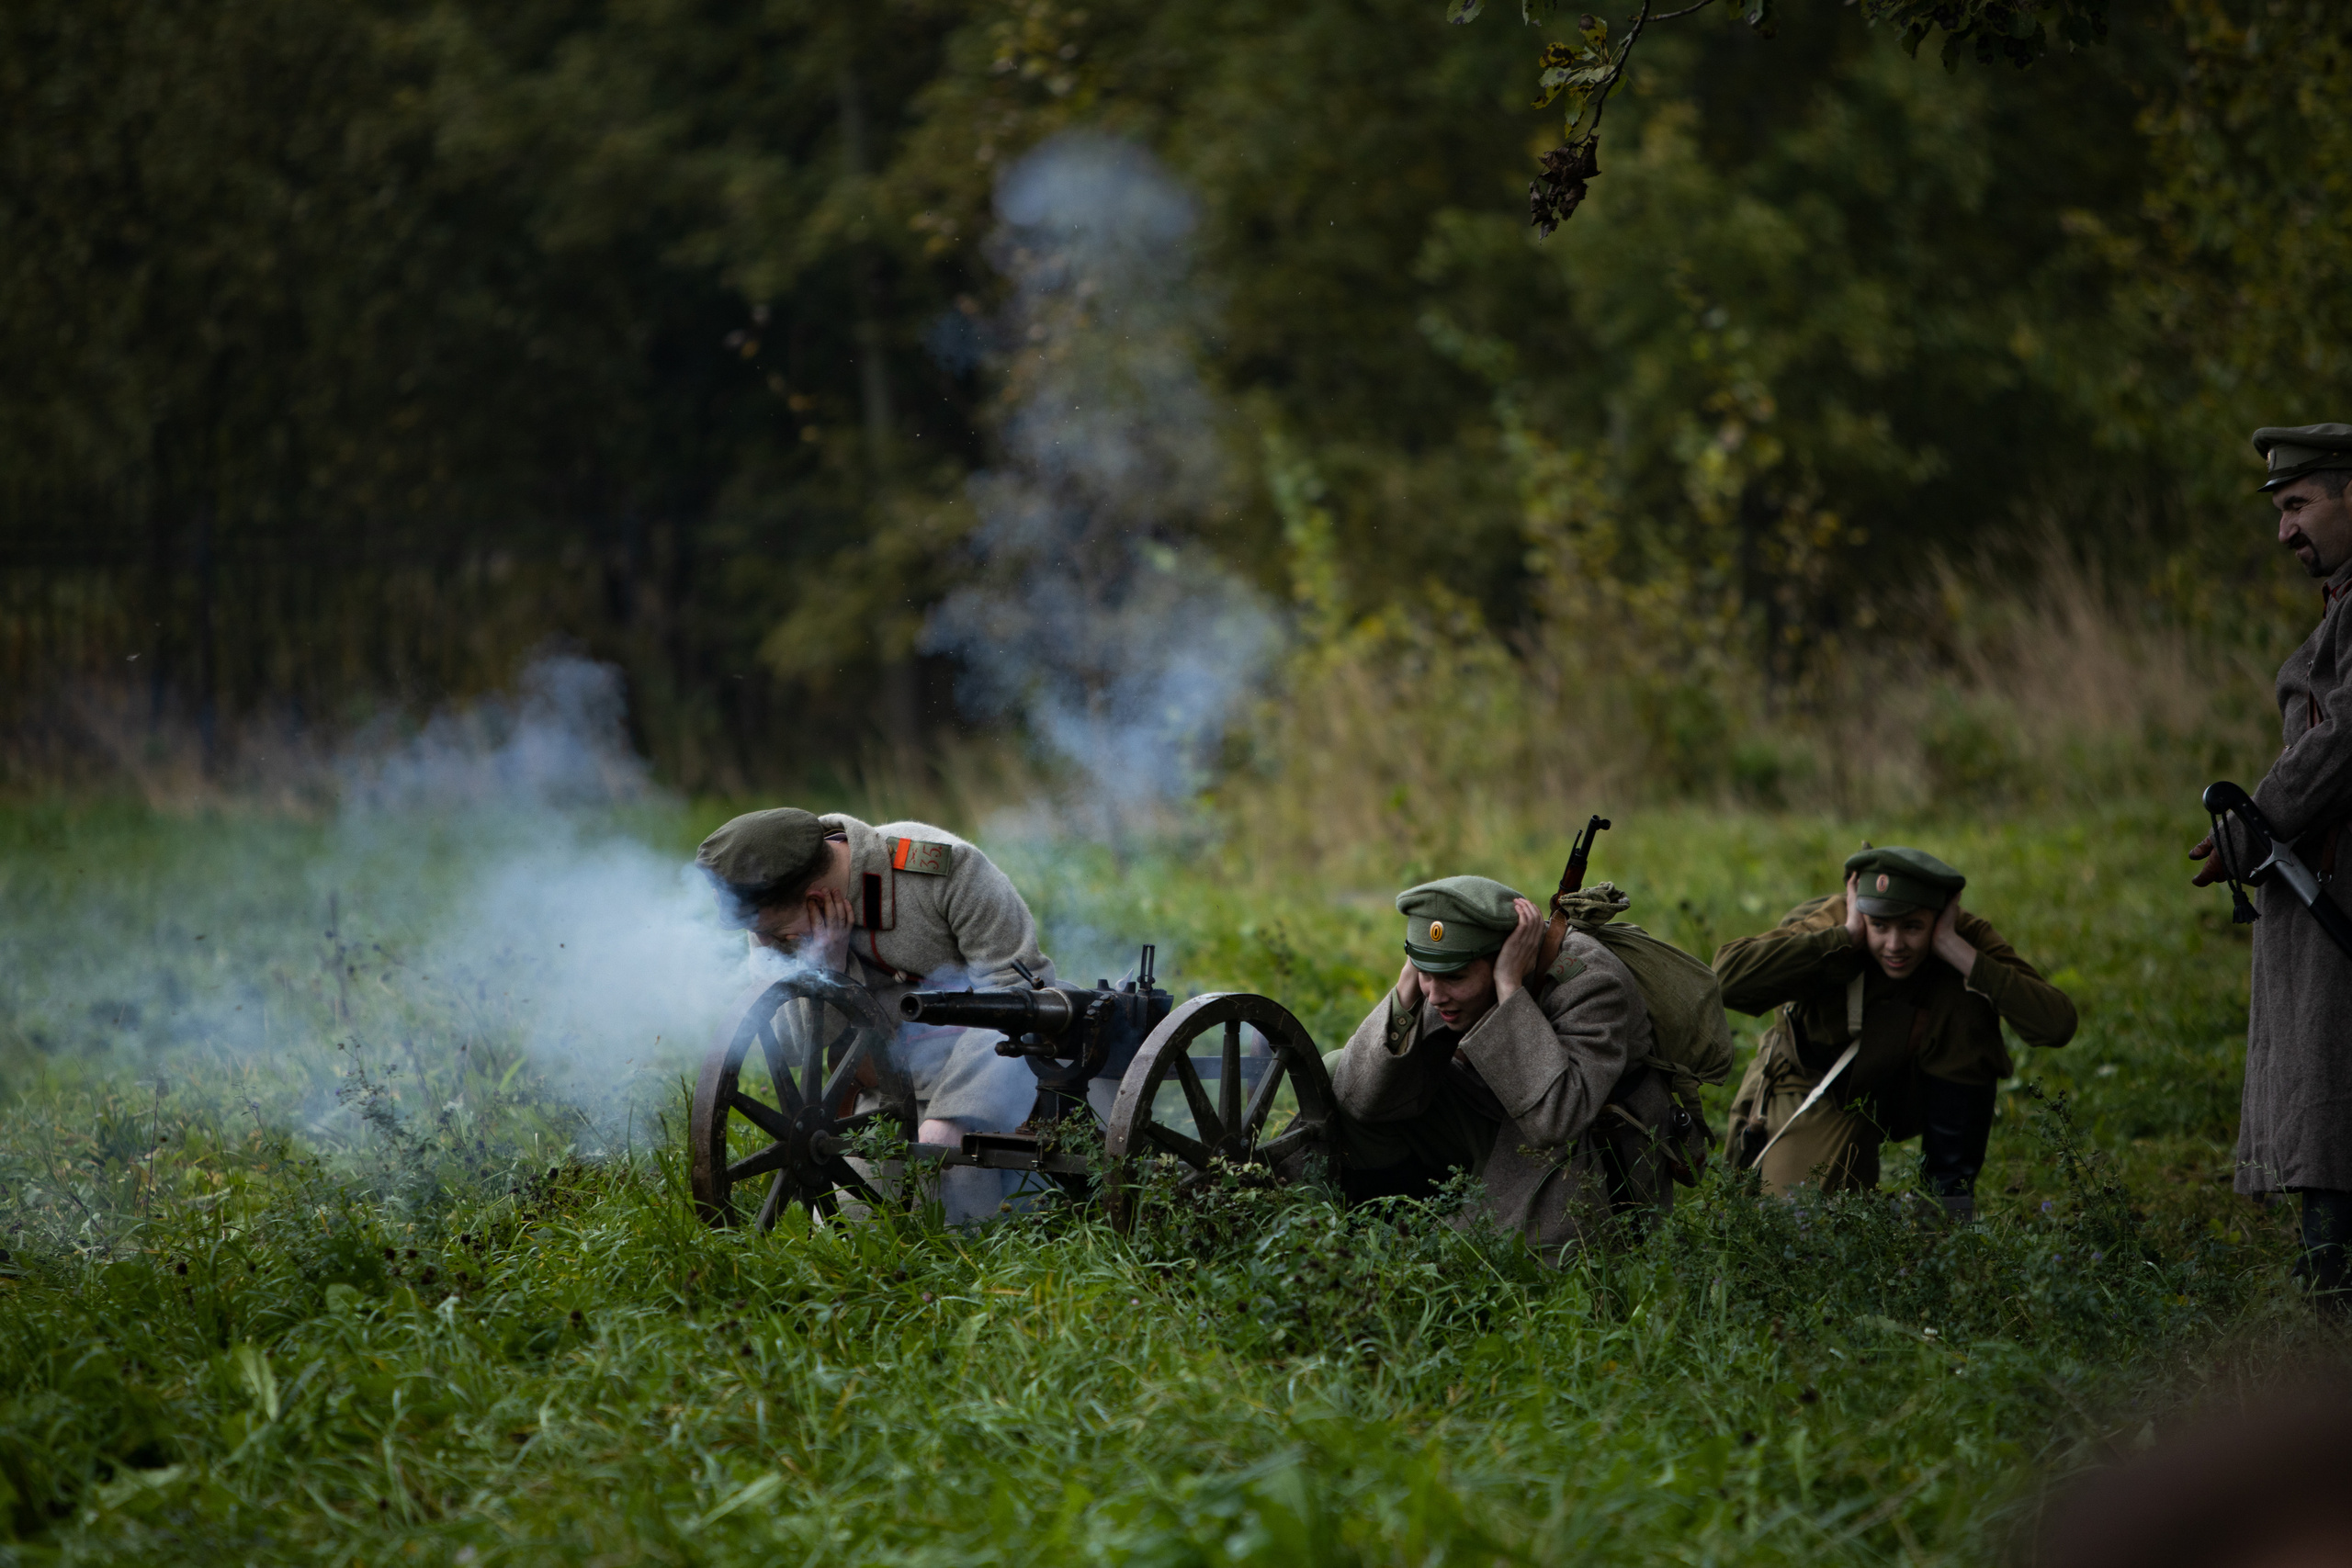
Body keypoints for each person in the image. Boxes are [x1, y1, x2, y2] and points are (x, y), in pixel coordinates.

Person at [695, 806, 1052, 1224]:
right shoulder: (772, 917)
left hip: (995, 1080)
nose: (766, 944)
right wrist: (826, 973)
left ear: (813, 898)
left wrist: (954, 1114)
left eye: (774, 934)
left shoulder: (945, 868)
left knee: (967, 1224)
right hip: (888, 1096)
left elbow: (1018, 987)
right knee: (854, 1226)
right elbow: (790, 1046)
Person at [2188, 422, 2352, 1312]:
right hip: (2324, 880)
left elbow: (2341, 743)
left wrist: (2248, 830)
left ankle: (2328, 1293)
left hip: (2337, 888)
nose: (2283, 531)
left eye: (2297, 505)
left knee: (2333, 1080)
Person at [1326, 874, 1677, 1257]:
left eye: (1455, 978)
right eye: (1428, 975)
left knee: (1492, 1262)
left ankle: (1454, 1228)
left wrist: (1509, 988)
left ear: (1506, 956)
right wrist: (1409, 984)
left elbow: (1556, 1120)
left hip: (1581, 1147)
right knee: (1339, 1069)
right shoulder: (1444, 978)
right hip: (1496, 1113)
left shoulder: (1592, 982)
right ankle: (1404, 1216)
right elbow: (1360, 1098)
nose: (1437, 996)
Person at [1717, 846, 2076, 1219]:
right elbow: (1726, 980)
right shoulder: (1833, 921)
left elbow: (2056, 1024)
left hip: (1909, 1087)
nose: (1894, 945)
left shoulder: (1961, 935)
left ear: (1940, 917)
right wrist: (1844, 937)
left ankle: (1943, 1206)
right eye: (1880, 926)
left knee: (1968, 1000)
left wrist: (1954, 949)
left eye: (1912, 927)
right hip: (1817, 1085)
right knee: (1798, 1229)